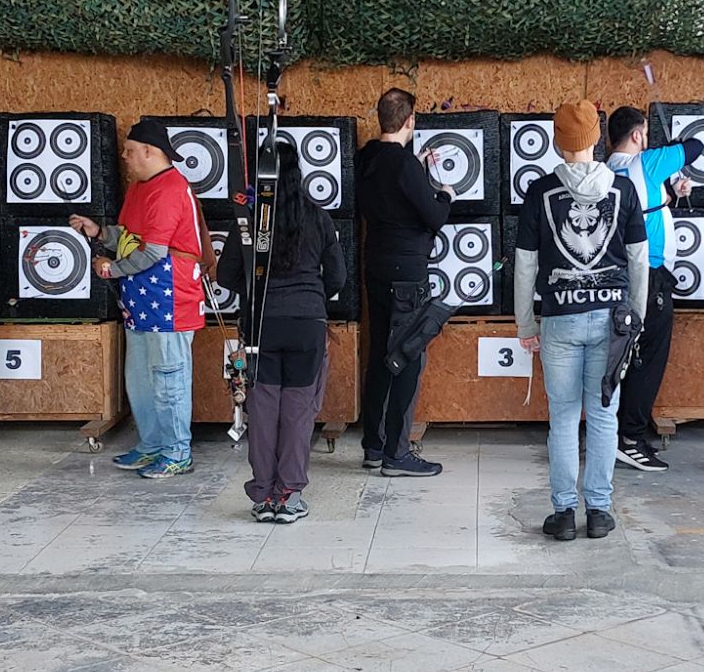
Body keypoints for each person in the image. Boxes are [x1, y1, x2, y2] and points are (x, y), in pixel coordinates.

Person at [514, 100, 648, 542]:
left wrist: (525, 325)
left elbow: (525, 264)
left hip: (560, 319)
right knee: (605, 416)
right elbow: (638, 260)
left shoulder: (539, 191)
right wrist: (637, 318)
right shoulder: (624, 190)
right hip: (612, 321)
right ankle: (600, 511)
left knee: (564, 418)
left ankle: (564, 513)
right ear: (596, 138)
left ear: (558, 142)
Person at [216, 137, 349, 523]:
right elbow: (337, 277)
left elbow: (226, 276)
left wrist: (256, 289)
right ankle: (288, 496)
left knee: (262, 411)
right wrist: (311, 297)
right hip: (307, 326)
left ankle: (263, 495)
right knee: (297, 412)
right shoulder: (317, 217)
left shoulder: (248, 220)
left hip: (262, 326)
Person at [69, 119, 206, 480]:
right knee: (141, 378)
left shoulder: (170, 188)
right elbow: (129, 236)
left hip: (170, 299)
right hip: (142, 301)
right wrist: (100, 232)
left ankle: (177, 451)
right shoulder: (139, 188)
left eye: (129, 150)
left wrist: (110, 269)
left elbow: (154, 252)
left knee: (168, 377)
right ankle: (152, 444)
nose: (124, 156)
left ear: (149, 151)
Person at [353, 87, 449, 479]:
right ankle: (397, 453)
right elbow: (435, 217)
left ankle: (374, 447)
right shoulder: (405, 165)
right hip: (407, 272)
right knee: (407, 356)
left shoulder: (365, 158)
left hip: (375, 264)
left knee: (380, 353)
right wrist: (445, 195)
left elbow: (392, 189)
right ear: (411, 120)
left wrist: (417, 169)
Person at [602, 106, 703, 472]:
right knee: (648, 358)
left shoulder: (607, 170)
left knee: (625, 356)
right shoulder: (645, 163)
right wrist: (673, 147)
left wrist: (670, 191)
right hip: (650, 274)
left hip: (619, 274)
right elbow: (697, 147)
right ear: (637, 136)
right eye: (644, 134)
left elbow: (644, 205)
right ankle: (630, 439)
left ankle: (616, 434)